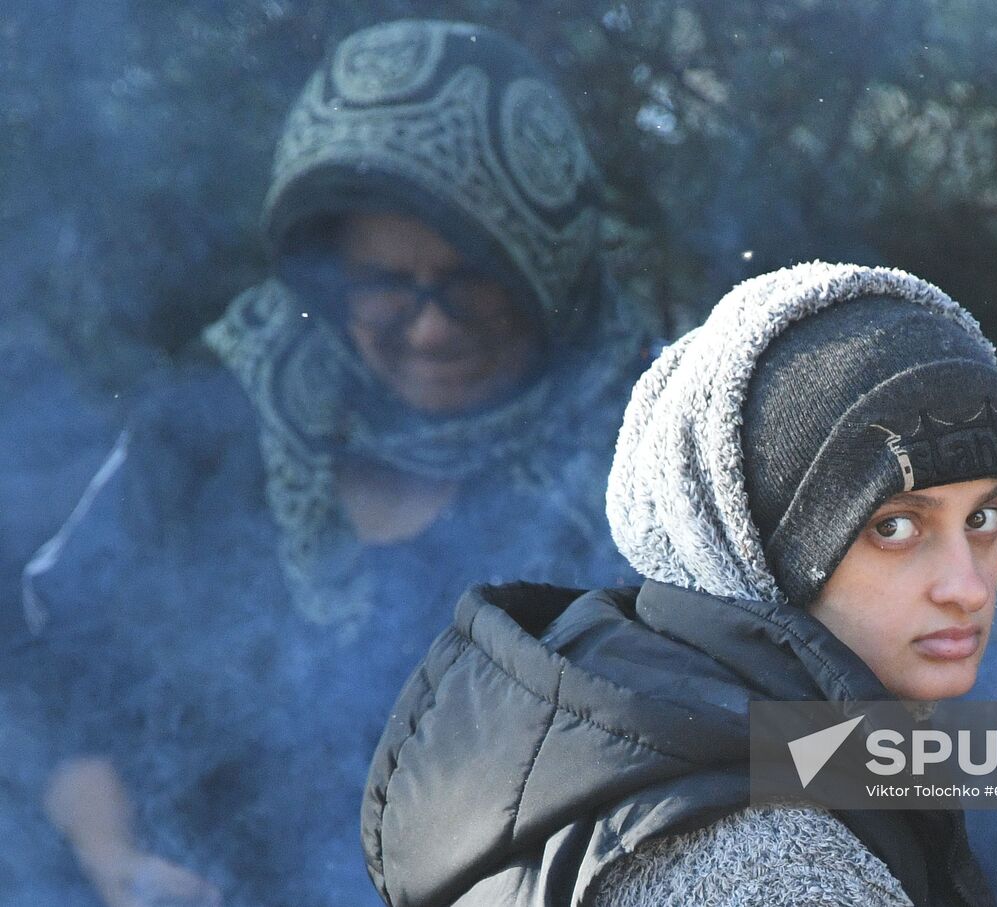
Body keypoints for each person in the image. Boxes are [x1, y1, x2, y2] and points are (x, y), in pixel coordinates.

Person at [17, 20, 646, 907]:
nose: (428, 326)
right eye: (385, 283)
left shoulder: (660, 454)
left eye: (470, 277)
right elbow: (63, 666)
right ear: (322, 282)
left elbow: (854, 756)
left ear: (548, 271)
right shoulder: (206, 431)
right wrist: (113, 856)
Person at [362, 261, 997, 906]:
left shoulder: (626, 727)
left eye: (982, 517)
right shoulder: (771, 869)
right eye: (893, 526)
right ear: (752, 541)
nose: (966, 586)